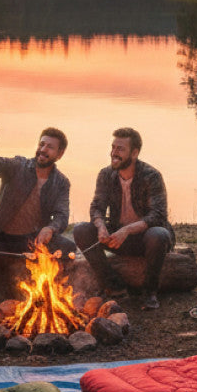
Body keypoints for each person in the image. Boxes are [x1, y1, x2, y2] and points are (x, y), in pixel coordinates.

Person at [72, 127, 174, 311]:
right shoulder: (106, 175)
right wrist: (101, 226)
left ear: (134, 153)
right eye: (113, 147)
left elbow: (158, 215)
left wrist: (127, 230)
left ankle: (150, 292)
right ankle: (113, 286)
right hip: (118, 237)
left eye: (120, 149)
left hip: (145, 238)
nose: (113, 153)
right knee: (80, 229)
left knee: (158, 234)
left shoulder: (151, 176)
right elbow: (97, 207)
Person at [0, 123, 76, 270]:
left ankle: (45, 280)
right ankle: (14, 284)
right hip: (2, 237)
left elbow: (62, 215)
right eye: (42, 144)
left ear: (60, 154)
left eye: (50, 147)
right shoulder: (18, 166)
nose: (43, 149)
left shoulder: (61, 182)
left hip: (34, 239)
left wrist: (50, 229)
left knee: (69, 250)